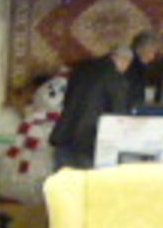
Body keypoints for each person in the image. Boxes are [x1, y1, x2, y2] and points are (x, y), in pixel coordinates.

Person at [49, 33, 148, 173]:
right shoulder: (116, 79)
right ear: (124, 61)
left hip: (65, 135)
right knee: (86, 188)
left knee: (62, 186)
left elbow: (67, 99)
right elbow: (118, 114)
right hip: (90, 142)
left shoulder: (81, 69)